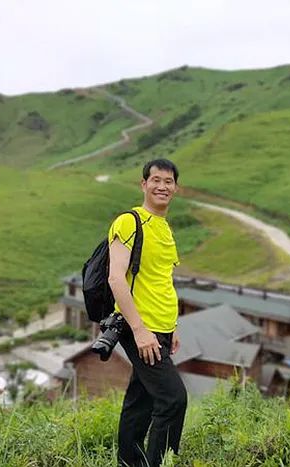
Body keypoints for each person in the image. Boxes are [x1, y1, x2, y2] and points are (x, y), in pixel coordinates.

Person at [107, 158, 186, 467]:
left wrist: (173, 325)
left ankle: (129, 462)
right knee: (173, 399)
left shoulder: (164, 228)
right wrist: (140, 330)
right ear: (144, 184)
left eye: (168, 181)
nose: (162, 186)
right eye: (156, 180)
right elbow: (116, 278)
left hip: (162, 327)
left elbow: (163, 281)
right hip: (140, 327)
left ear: (175, 188)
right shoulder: (129, 221)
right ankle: (159, 463)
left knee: (141, 402)